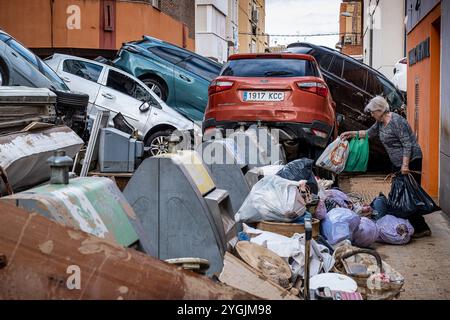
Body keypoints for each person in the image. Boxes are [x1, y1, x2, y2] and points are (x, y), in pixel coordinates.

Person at [340, 95, 431, 238]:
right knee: (398, 194)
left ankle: (422, 228)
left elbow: (407, 144)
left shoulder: (396, 121)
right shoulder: (380, 123)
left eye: (372, 112)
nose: (371, 114)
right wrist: (350, 133)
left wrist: (405, 165)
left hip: (411, 160)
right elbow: (368, 133)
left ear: (379, 110)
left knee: (409, 195)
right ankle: (411, 225)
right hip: (397, 162)